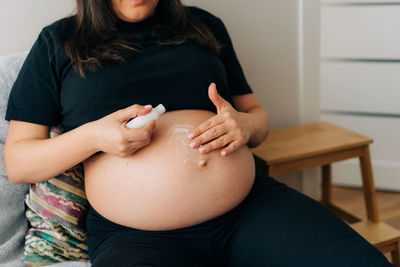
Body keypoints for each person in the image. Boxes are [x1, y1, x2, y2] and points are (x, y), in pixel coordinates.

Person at [4, 0, 394, 266]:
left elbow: (257, 118)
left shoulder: (204, 26)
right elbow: (19, 162)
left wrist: (245, 124)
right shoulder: (58, 43)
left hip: (251, 210)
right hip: (137, 236)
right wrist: (93, 138)